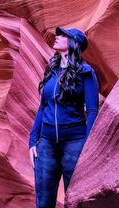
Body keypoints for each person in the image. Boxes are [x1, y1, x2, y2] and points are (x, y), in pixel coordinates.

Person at [28, 27, 99, 208]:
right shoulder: (51, 70)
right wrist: (32, 141)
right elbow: (43, 107)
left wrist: (87, 146)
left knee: (75, 201)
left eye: (63, 35)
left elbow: (92, 111)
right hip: (46, 145)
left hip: (74, 144)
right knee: (43, 202)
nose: (57, 37)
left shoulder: (86, 73)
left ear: (73, 43)